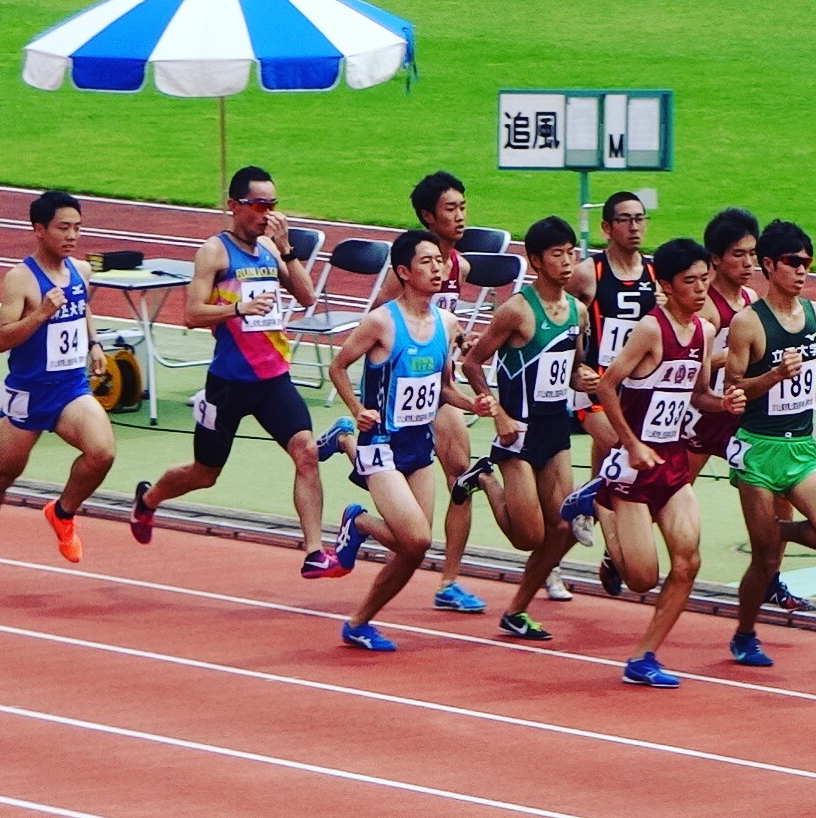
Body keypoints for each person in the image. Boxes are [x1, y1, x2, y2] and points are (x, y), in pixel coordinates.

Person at [130, 165, 341, 579]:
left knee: (307, 453)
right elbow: (191, 314)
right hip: (228, 382)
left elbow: (307, 296)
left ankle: (315, 550)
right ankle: (149, 500)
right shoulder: (215, 251)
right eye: (259, 204)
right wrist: (237, 309)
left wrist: (287, 248)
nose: (267, 213)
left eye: (272, 205)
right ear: (233, 206)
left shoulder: (269, 248)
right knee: (204, 474)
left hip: (272, 379)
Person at [319, 171, 489, 613]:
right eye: (450, 210)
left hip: (433, 382)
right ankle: (349, 439)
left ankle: (449, 579)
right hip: (398, 383)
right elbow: (381, 329)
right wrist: (363, 402)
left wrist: (454, 346)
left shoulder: (462, 268)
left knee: (461, 476)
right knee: (413, 523)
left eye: (463, 207)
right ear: (428, 217)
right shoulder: (406, 271)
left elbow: (445, 326)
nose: (460, 217)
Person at [588, 239, 745, 687]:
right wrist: (631, 443)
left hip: (673, 462)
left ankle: (644, 656)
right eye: (689, 282)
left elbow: (697, 395)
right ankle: (597, 503)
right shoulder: (651, 330)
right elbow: (606, 386)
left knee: (687, 563)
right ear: (667, 285)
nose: (700, 290)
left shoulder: (705, 333)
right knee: (641, 579)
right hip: (635, 466)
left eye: (704, 280)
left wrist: (723, 403)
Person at [460, 216, 597, 641]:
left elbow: (571, 372)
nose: (567, 261)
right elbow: (471, 362)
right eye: (557, 254)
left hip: (555, 430)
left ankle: (516, 610)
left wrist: (586, 380)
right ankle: (481, 476)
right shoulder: (517, 310)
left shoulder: (577, 311)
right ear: (536, 261)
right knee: (529, 536)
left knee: (565, 529)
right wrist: (496, 411)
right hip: (516, 431)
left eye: (571, 252)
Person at [724, 219, 816, 667]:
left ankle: (775, 531)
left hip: (800, 449)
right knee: (764, 563)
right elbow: (733, 388)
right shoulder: (747, 323)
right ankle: (744, 634)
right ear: (769, 265)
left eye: (807, 263)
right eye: (793, 263)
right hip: (758, 449)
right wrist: (775, 375)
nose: (802, 271)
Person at [0, 191, 115, 583]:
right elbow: (2, 339)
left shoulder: (80, 271)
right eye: (63, 228)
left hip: (70, 388)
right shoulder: (19, 278)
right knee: (3, 476)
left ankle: (62, 512)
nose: (72, 236)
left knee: (102, 452)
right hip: (29, 391)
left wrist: (94, 343)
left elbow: (84, 307)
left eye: (77, 227)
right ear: (39, 230)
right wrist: (41, 313)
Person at [684, 208, 809, 611]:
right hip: (708, 412)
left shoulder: (754, 300)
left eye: (753, 254)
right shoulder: (705, 308)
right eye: (738, 255)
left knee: (780, 497)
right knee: (671, 488)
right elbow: (694, 366)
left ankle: (772, 577)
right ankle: (619, 549)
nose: (748, 263)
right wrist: (734, 357)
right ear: (715, 259)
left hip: (746, 414)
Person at [564, 191, 658, 597]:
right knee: (625, 454)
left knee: (612, 470)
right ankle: (588, 502)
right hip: (594, 390)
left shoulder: (655, 276)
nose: (635, 227)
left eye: (640, 219)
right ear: (606, 227)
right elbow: (553, 315)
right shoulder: (589, 274)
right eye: (625, 219)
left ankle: (603, 541)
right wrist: (572, 367)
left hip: (636, 393)